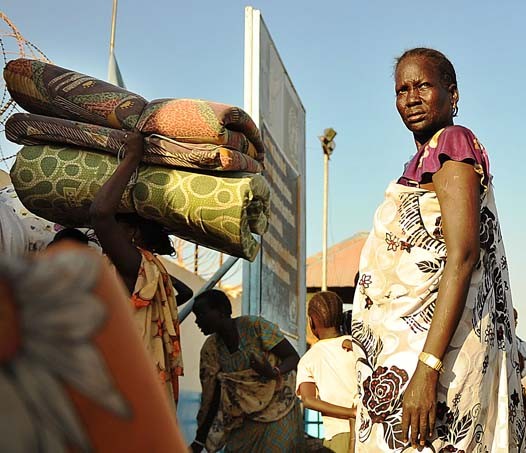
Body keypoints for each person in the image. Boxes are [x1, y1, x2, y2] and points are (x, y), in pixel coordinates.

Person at [351, 48, 526, 452]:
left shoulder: (452, 144)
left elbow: (462, 257)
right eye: (401, 89)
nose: (411, 97)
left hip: (429, 359)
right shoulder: (424, 158)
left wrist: (427, 370)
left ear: (452, 93)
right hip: (407, 358)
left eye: (423, 85)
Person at [90, 130, 191, 405]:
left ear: (133, 232)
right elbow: (184, 292)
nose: (107, 235)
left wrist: (132, 157)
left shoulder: (135, 265)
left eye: (119, 224)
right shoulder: (150, 273)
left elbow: (99, 214)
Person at [191, 289, 304, 453]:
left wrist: (273, 372)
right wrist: (199, 440)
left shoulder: (255, 327)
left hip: (278, 410)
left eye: (201, 314)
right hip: (244, 419)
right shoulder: (211, 349)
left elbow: (292, 357)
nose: (197, 321)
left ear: (222, 311)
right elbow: (213, 397)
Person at [296, 291, 357, 453]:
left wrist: (350, 413)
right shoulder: (357, 345)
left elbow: (308, 400)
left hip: (339, 435)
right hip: (372, 431)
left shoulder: (309, 358)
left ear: (312, 321)